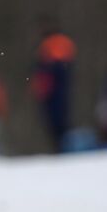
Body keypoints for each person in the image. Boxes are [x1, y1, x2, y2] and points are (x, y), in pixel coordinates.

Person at [31, 20, 76, 152]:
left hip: (55, 91)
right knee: (55, 123)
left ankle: (63, 149)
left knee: (58, 123)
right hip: (52, 91)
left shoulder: (56, 42)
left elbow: (55, 68)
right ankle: (61, 148)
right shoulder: (49, 43)